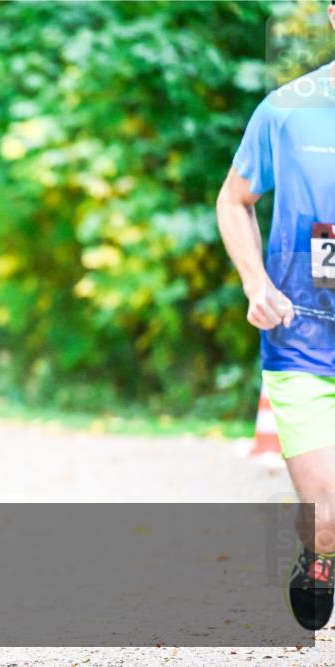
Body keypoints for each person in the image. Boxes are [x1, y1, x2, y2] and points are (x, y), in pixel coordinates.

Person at [216, 4, 335, 631]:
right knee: (328, 515)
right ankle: (319, 553)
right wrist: (255, 280)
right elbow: (234, 200)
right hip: (305, 337)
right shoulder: (288, 109)